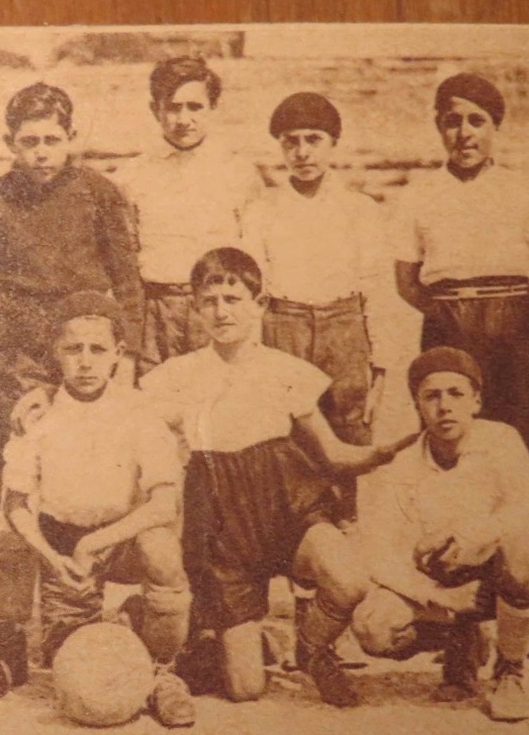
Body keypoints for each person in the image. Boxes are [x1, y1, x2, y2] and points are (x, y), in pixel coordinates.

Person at [141, 248, 416, 708]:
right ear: (194, 307)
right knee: (246, 690)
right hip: (221, 526)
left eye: (233, 298)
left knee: (348, 580)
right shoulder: (174, 376)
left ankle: (313, 648)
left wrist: (379, 454)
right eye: (209, 301)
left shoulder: (288, 371)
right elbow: (129, 429)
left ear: (260, 304)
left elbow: (332, 454)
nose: (221, 311)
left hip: (289, 508)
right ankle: (218, 638)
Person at [0, 81, 144, 696]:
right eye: (28, 142)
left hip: (85, 348)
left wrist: (131, 358)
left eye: (52, 141)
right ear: (10, 144)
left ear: (72, 139)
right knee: (17, 495)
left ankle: (69, 618)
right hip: (15, 356)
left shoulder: (100, 194)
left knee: (81, 482)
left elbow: (129, 281)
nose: (40, 152)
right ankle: (10, 642)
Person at [0, 292, 195, 727]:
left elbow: (163, 504)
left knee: (163, 551)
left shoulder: (139, 410)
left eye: (98, 349)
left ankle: (163, 672)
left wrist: (97, 542)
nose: (86, 361)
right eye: (73, 349)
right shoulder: (38, 415)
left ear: (118, 353)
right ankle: (11, 649)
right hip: (63, 542)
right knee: (10, 550)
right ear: (55, 354)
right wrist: (49, 555)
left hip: (122, 538)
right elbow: (16, 504)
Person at [352, 347, 529, 722]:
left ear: (476, 401)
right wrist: (439, 596)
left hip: (492, 578)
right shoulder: (402, 463)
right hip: (439, 585)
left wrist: (468, 535)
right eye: (432, 396)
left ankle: (509, 670)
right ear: (418, 406)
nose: (445, 407)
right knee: (372, 627)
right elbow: (376, 551)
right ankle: (463, 642)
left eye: (456, 394)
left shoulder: (502, 441)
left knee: (523, 546)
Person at [391, 72, 529, 465]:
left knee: (518, 435)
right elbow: (405, 282)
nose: (464, 133)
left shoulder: (524, 190)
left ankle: (520, 523)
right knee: (450, 434)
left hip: (513, 327)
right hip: (447, 324)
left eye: (477, 121)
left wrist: (512, 314)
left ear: (495, 126)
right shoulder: (417, 195)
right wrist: (447, 315)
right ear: (439, 126)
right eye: (453, 122)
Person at [242, 91, 392, 458]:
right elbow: (253, 292)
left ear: (333, 143)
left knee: (350, 432)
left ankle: (346, 515)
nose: (303, 153)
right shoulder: (261, 210)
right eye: (291, 142)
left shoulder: (360, 210)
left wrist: (382, 366)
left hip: (344, 332)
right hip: (285, 327)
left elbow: (376, 289)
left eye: (314, 140)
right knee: (289, 435)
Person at [119, 57, 245, 373]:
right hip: (155, 312)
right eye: (173, 107)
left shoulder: (238, 172)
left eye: (195, 107)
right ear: (155, 109)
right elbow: (126, 254)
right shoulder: (132, 175)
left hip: (217, 310)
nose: (183, 119)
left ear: (212, 108)